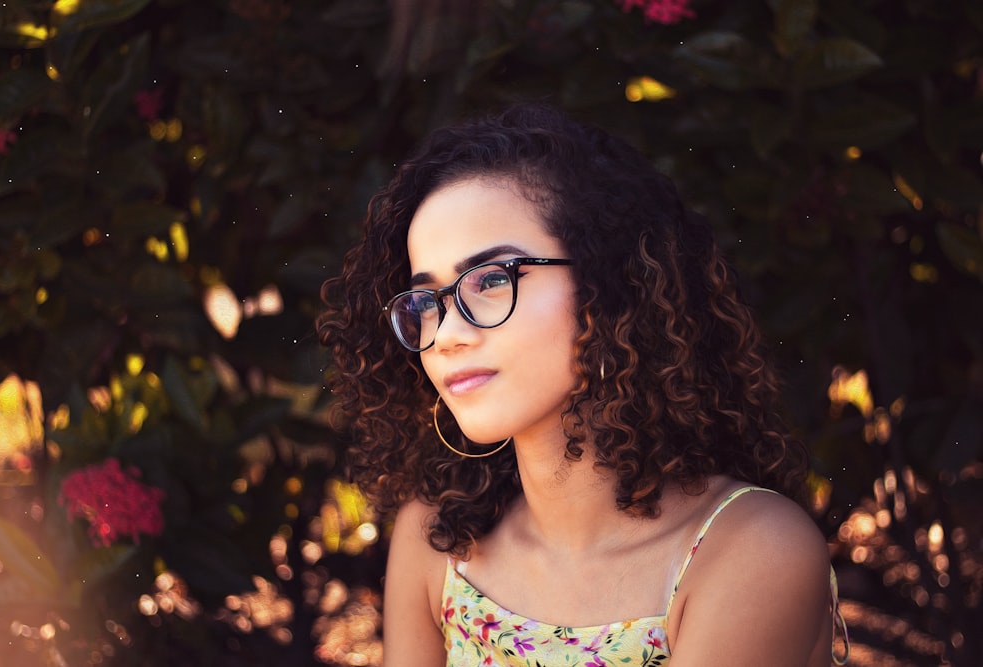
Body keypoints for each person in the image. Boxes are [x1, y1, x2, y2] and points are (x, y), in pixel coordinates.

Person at [318, 104, 849, 666]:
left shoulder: (750, 549)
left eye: (492, 280)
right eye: (427, 301)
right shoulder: (439, 543)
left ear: (611, 285)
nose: (445, 334)